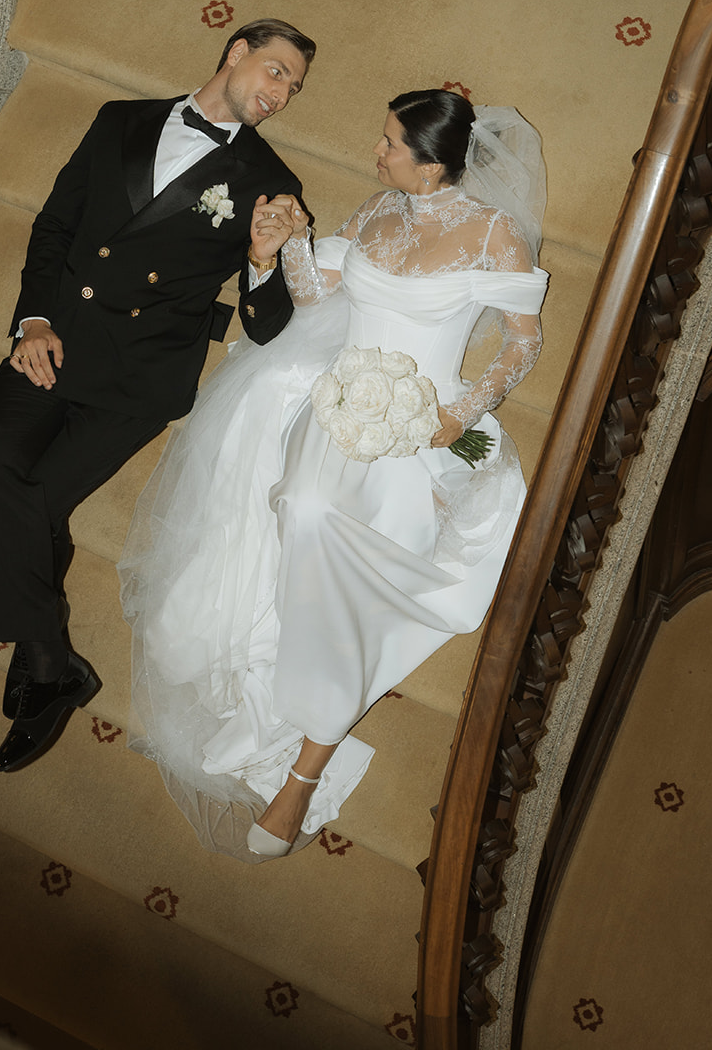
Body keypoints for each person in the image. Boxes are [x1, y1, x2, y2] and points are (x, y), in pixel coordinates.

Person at [119, 89, 549, 858]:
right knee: (302, 504)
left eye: (391, 144)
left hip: (424, 418)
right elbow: (322, 298)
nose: (377, 152)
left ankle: (304, 773)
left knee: (320, 519)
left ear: (433, 164)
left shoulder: (493, 236)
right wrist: (295, 241)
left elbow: (522, 344)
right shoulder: (381, 209)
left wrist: (458, 414)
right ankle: (299, 700)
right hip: (342, 399)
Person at [0, 18, 316, 774]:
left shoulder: (270, 184)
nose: (281, 94)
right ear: (235, 53)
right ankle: (52, 661)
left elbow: (268, 324)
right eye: (276, 71)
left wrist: (261, 257)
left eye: (293, 86)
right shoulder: (119, 120)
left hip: (138, 377)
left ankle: (48, 665)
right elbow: (56, 225)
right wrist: (32, 319)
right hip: (53, 339)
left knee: (38, 505)